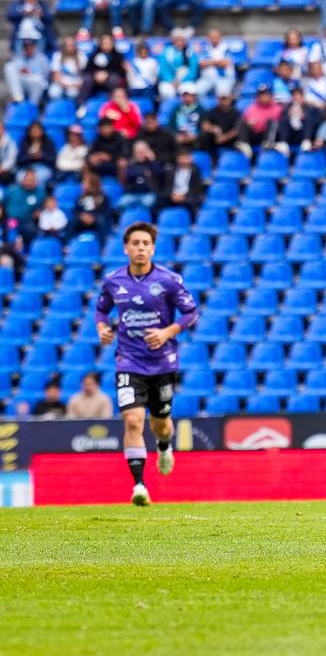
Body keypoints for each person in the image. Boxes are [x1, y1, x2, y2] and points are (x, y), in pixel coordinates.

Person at [95, 222, 199, 506]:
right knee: (132, 420)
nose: (140, 248)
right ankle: (139, 485)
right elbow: (101, 310)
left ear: (152, 248)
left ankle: (164, 448)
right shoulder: (114, 281)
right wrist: (102, 328)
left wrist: (167, 332)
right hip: (128, 361)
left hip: (162, 364)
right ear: (126, 248)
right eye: (135, 243)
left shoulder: (168, 280)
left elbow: (191, 312)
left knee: (161, 425)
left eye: (145, 244)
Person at [117, 141, 163, 214]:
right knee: (121, 204)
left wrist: (153, 159)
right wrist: (143, 172)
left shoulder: (152, 164)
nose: (140, 155)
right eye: (138, 153)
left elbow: (160, 173)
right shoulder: (132, 163)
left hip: (148, 193)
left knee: (148, 203)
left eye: (142, 152)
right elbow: (129, 174)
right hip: (133, 193)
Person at [4, 167, 43, 244]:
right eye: (28, 179)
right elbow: (2, 203)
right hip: (12, 220)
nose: (30, 182)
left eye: (32, 180)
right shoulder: (12, 190)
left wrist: (40, 211)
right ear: (23, 180)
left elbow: (45, 206)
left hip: (28, 221)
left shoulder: (40, 192)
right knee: (11, 233)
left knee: (31, 231)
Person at [5, 37, 48, 104]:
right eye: (26, 47)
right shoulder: (19, 57)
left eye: (30, 46)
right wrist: (21, 70)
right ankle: (18, 97)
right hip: (24, 81)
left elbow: (45, 76)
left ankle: (33, 105)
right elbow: (13, 72)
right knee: (9, 67)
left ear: (34, 47)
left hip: (37, 82)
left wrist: (31, 72)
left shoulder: (41, 58)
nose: (28, 49)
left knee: (38, 80)